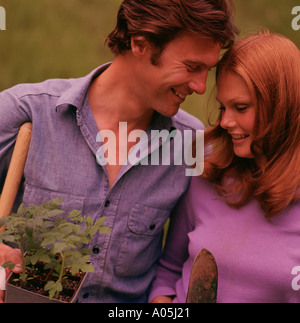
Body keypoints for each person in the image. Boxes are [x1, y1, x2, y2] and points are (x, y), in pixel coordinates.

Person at [0, 0, 237, 302]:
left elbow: (186, 256)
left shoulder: (191, 146)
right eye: (192, 67)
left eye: (208, 70)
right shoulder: (28, 112)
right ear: (141, 44)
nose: (202, 87)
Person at [149, 31, 300, 303]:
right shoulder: (207, 175)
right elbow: (168, 274)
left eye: (240, 108)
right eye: (223, 108)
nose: (226, 122)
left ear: (281, 107)